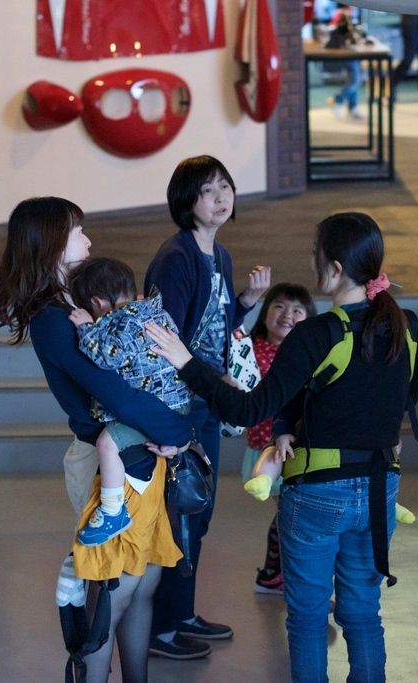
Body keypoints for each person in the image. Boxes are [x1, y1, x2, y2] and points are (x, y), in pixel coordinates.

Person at [146, 211, 418, 683]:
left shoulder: (317, 333)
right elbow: (399, 400)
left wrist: (187, 363)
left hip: (318, 493)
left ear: (334, 268)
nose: (312, 262)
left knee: (309, 618)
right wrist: (289, 422)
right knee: (363, 613)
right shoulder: (406, 325)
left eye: (316, 255)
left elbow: (247, 409)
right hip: (381, 488)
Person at [0, 197, 194, 683]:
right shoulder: (53, 319)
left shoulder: (72, 307)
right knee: (111, 597)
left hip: (137, 452)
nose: (88, 240)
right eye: (78, 231)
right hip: (111, 460)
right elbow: (113, 392)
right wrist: (178, 431)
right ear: (52, 242)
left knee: (141, 587)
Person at [143, 154, 271, 659]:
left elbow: (213, 324)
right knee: (181, 512)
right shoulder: (176, 258)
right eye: (208, 190)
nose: (221, 197)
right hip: (183, 404)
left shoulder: (218, 254)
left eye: (225, 187)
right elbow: (164, 337)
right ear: (186, 201)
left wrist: (246, 301)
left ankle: (181, 614)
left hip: (206, 401)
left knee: (199, 511)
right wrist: (210, 379)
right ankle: (159, 629)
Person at [66, 257, 193, 547]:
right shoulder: (152, 311)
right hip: (176, 402)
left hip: (161, 408)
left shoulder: (123, 323)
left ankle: (113, 511)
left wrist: (86, 328)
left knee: (106, 444)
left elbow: (106, 356)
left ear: (97, 303)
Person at [239, 283, 317, 595]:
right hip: (268, 451)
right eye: (280, 306)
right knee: (291, 513)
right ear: (265, 312)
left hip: (299, 445)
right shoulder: (251, 350)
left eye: (298, 309)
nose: (288, 314)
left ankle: (274, 574)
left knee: (291, 513)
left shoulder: (308, 353)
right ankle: (279, 577)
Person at [324, 4, 365, 120]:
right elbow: (339, 33)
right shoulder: (342, 14)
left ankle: (353, 108)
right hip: (347, 52)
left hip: (353, 51)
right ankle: (338, 99)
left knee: (356, 78)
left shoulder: (350, 13)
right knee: (355, 80)